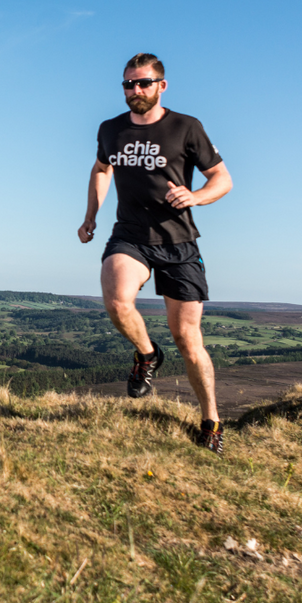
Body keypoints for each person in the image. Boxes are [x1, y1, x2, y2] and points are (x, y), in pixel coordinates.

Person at [77, 53, 233, 453]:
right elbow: (101, 168)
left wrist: (196, 196)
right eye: (128, 84)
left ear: (162, 85)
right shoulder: (111, 129)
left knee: (188, 339)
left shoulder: (186, 127)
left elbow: (222, 179)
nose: (135, 91)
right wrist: (90, 215)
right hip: (130, 234)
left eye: (143, 83)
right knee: (116, 300)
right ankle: (147, 354)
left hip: (179, 242)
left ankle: (211, 421)